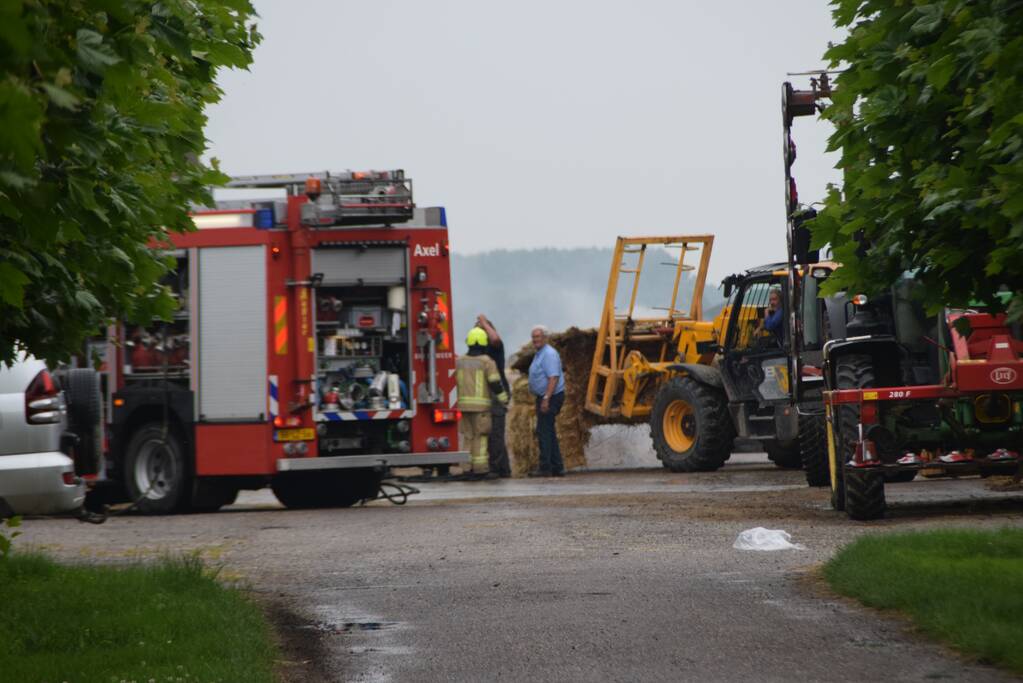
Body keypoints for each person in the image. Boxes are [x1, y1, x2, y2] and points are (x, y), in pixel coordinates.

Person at [456, 327, 509, 479]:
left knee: (468, 437)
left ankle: (466, 467)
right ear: (483, 343)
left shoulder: (459, 361)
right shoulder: (487, 362)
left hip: (463, 407)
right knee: (481, 437)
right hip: (481, 408)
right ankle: (480, 469)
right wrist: (504, 399)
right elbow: (495, 383)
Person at [527, 325, 566, 477]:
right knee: (548, 431)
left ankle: (545, 468)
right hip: (546, 397)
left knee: (544, 432)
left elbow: (553, 377)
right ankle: (557, 467)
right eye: (533, 337)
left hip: (550, 397)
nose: (535, 340)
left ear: (545, 338)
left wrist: (546, 398)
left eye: (538, 337)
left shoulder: (548, 354)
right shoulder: (539, 353)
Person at [476, 314, 512, 478]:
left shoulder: (495, 346)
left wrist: (484, 322)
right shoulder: (480, 350)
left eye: (481, 329)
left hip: (498, 394)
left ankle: (495, 469)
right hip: (486, 395)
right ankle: (504, 469)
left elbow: (496, 339)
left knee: (495, 433)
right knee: (492, 433)